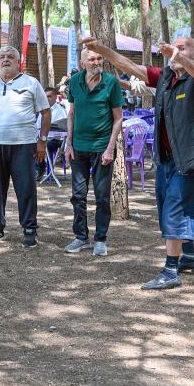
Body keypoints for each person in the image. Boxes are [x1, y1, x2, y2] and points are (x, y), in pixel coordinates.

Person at [85, 36, 194, 289]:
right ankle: (189, 255)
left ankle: (170, 271)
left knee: (175, 210)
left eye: (183, 49)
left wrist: (178, 58)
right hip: (165, 158)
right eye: (174, 48)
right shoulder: (165, 76)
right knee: (170, 207)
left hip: (189, 158)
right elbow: (130, 67)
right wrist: (100, 49)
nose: (175, 53)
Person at [0, 45, 50, 247]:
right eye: (2, 57)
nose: (6, 59)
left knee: (26, 188)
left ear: (19, 62)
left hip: (23, 145)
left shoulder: (31, 83)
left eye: (11, 57)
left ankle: (29, 229)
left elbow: (45, 112)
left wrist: (42, 141)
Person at [63, 46, 124, 256]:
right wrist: (69, 144)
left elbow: (118, 119)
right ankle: (81, 237)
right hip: (79, 148)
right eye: (91, 59)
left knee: (101, 197)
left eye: (99, 58)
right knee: (78, 196)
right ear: (83, 63)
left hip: (102, 149)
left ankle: (100, 239)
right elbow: (71, 113)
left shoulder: (111, 83)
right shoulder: (75, 82)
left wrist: (109, 149)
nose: (96, 62)